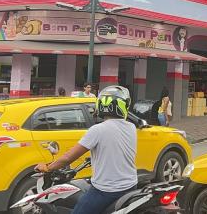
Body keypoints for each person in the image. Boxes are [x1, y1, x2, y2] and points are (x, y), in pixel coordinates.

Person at [34, 86, 137, 214]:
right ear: (123, 106)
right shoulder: (131, 127)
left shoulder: (98, 130)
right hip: (131, 186)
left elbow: (68, 157)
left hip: (106, 190)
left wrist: (48, 168)